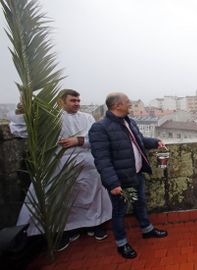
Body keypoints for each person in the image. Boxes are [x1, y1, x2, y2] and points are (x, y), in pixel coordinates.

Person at [16, 89, 112, 251]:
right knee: (67, 199)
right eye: (73, 101)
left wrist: (78, 140)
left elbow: (97, 138)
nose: (77, 104)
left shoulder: (87, 117)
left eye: (78, 100)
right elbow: (24, 131)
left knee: (92, 196)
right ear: (61, 102)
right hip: (61, 164)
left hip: (87, 163)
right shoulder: (51, 118)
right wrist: (22, 111)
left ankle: (94, 225)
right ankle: (69, 230)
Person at [89, 92, 168, 259]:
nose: (130, 104)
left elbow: (138, 141)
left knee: (140, 204)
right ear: (117, 105)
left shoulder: (129, 122)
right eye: (127, 102)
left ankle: (147, 230)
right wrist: (113, 183)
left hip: (136, 174)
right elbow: (102, 159)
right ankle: (122, 244)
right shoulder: (100, 128)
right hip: (120, 180)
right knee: (119, 211)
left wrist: (155, 142)